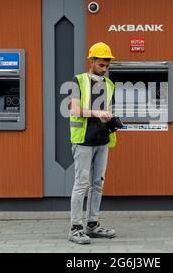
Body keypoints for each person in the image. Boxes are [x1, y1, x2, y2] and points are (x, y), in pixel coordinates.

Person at [68, 42, 120, 244]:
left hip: (102, 139)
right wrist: (96, 113)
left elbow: (107, 109)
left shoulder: (109, 84)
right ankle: (75, 228)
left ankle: (92, 225)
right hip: (83, 140)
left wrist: (110, 119)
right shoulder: (78, 81)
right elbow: (73, 110)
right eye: (101, 65)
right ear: (91, 61)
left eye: (107, 65)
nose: (105, 69)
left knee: (98, 184)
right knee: (82, 184)